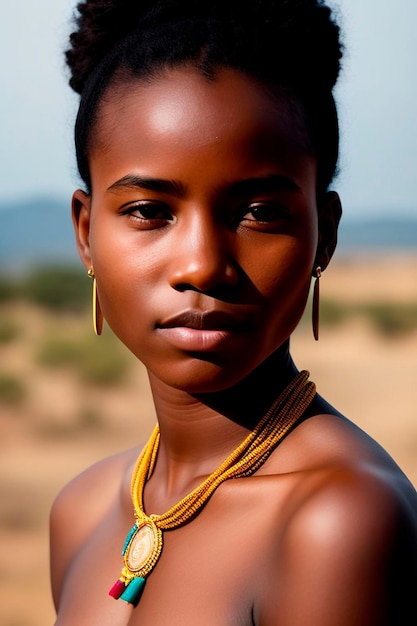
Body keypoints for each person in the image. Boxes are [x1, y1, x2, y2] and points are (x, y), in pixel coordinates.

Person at [50, 1, 417, 624]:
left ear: (322, 236)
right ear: (86, 233)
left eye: (259, 212)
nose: (202, 265)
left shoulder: (339, 520)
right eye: (148, 211)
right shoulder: (82, 510)